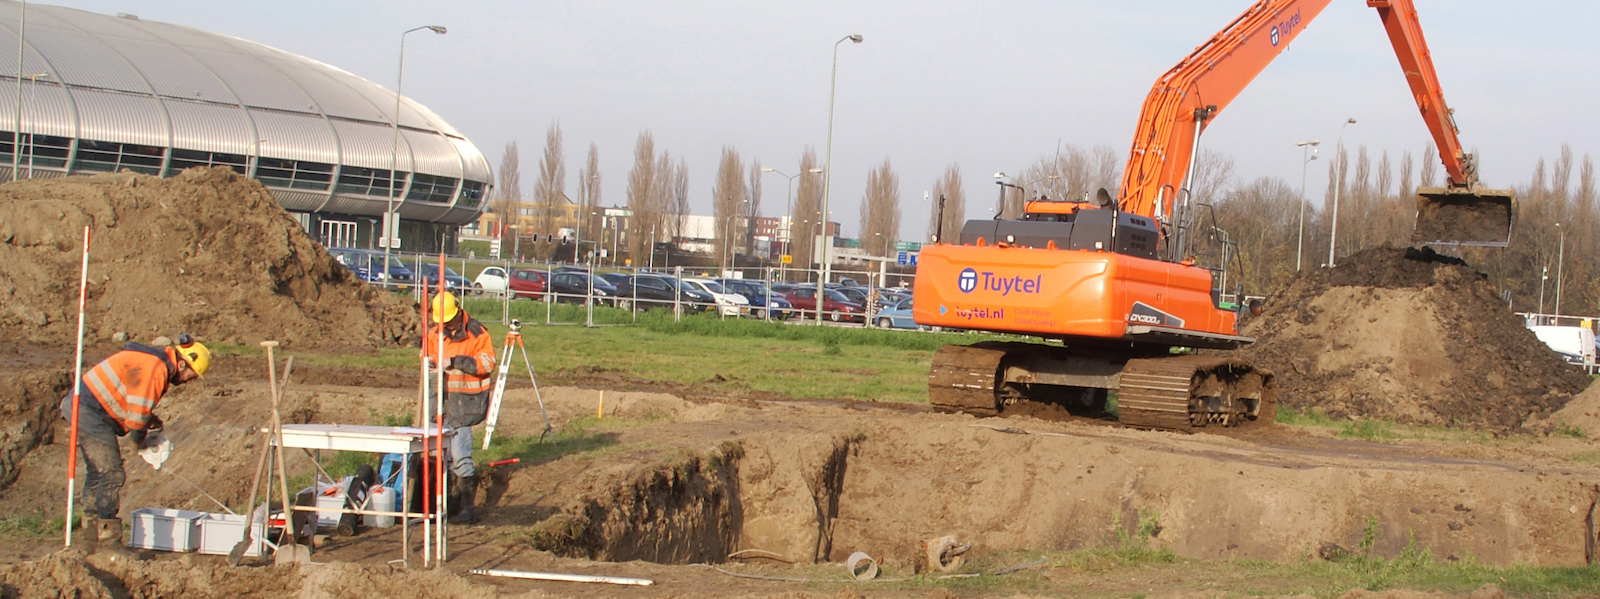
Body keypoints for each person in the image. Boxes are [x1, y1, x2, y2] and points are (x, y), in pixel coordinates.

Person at [60, 334, 209, 559]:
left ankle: (90, 541)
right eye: (192, 374)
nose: (190, 380)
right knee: (111, 474)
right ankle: (108, 543)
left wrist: (148, 420)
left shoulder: (151, 361)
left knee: (97, 473)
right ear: (181, 363)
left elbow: (131, 399)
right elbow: (136, 419)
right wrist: (141, 442)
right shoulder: (155, 369)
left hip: (83, 405)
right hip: (90, 411)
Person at [420, 291, 496, 524]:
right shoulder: (434, 333)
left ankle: (466, 509)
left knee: (460, 456)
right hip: (438, 403)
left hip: (463, 405)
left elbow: (487, 363)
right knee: (436, 456)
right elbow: (425, 356)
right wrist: (430, 364)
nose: (444, 325)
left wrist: (455, 362)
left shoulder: (476, 333)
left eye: (448, 320)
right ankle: (443, 504)